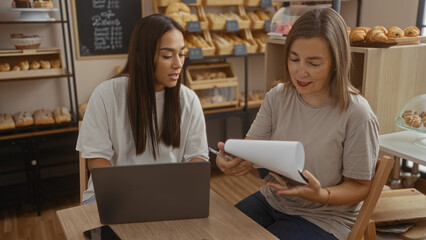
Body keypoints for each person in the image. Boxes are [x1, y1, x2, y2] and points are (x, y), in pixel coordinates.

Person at [215, 7, 379, 240]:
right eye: (294, 59)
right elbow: (252, 147)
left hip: (325, 218)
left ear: (336, 62)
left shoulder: (357, 113)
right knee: (214, 233)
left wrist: (321, 194)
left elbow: (361, 187)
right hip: (272, 200)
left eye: (313, 63)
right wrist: (233, 160)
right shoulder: (277, 96)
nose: (300, 71)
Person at [76, 14, 209, 205]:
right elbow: (97, 160)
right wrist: (130, 195)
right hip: (112, 194)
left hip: (169, 195)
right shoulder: (106, 94)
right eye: (167, 56)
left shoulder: (188, 100)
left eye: (181, 54)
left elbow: (197, 159)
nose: (178, 64)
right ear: (140, 57)